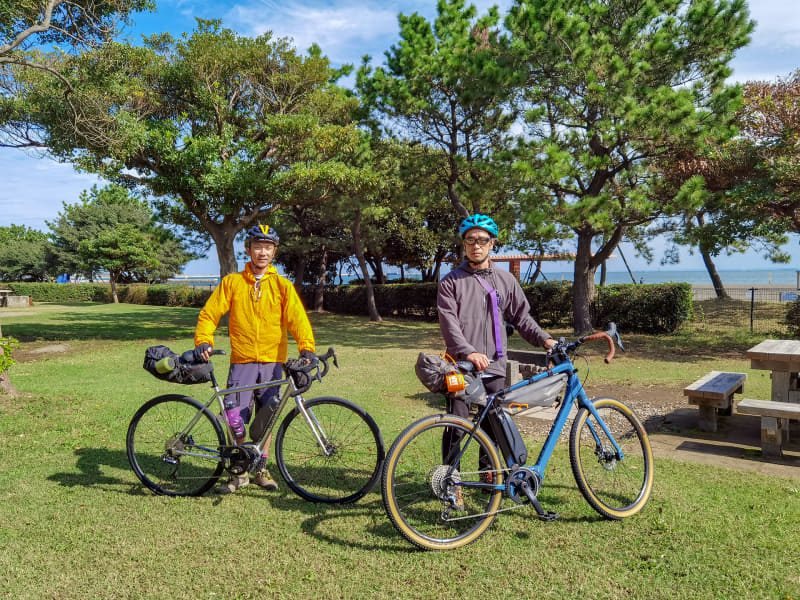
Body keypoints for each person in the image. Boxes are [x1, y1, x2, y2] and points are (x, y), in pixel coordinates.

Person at [194, 224, 316, 494]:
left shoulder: (282, 286)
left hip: (274, 363)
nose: (263, 252)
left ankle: (261, 467)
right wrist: (204, 338)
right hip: (243, 362)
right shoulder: (232, 283)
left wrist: (306, 347)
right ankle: (239, 471)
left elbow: (298, 320)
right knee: (234, 417)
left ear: (274, 252)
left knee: (268, 415)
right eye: (257, 246)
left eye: (268, 247)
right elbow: (209, 314)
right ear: (248, 249)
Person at [437, 214, 556, 484]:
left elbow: (522, 319)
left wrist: (546, 340)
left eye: (482, 240)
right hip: (461, 367)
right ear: (464, 245)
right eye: (470, 241)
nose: (476, 246)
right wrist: (468, 352)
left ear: (492, 243)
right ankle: (451, 481)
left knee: (492, 426)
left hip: (495, 366)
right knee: (457, 425)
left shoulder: (505, 281)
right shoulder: (450, 282)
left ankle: (487, 477)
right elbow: (449, 325)